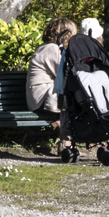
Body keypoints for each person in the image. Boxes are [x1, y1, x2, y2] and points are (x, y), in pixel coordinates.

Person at [26, 17, 78, 158]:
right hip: (41, 99)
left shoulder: (50, 48)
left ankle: (66, 143)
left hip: (44, 97)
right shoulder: (52, 49)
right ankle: (66, 144)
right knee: (72, 101)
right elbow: (65, 74)